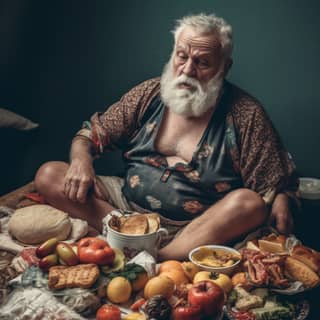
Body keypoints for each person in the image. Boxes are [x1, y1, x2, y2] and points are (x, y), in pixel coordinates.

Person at [35, 13, 299, 261]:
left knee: (249, 203)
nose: (186, 70)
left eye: (202, 62)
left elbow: (274, 182)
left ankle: (164, 257)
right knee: (49, 174)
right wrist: (82, 161)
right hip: (123, 209)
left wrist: (282, 197)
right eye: (181, 56)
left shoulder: (245, 114)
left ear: (224, 67)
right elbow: (91, 135)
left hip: (195, 228)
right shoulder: (149, 93)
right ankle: (130, 236)